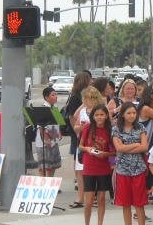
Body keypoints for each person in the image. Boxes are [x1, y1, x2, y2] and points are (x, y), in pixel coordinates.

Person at [112, 102, 149, 225]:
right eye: (129, 113)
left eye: (134, 113)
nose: (132, 115)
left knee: (139, 204)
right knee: (125, 204)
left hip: (138, 169)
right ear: (123, 115)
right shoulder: (116, 129)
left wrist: (127, 147)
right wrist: (135, 145)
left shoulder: (141, 127)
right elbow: (118, 148)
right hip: (122, 170)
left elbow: (145, 147)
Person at [78, 104, 115, 225]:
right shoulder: (88, 127)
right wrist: (88, 149)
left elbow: (115, 151)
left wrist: (106, 154)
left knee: (101, 199)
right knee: (88, 201)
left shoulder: (110, 130)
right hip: (89, 167)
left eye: (102, 114)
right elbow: (80, 145)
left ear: (106, 116)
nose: (99, 117)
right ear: (93, 116)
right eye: (97, 115)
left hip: (103, 167)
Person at [70, 85, 104, 208]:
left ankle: (93, 196)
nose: (87, 101)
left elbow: (105, 125)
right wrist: (81, 127)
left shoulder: (100, 110)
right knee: (79, 170)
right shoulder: (83, 111)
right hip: (83, 143)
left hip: (96, 143)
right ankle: (81, 197)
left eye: (90, 98)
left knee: (93, 170)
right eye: (85, 98)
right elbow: (76, 126)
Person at [66, 71, 92, 208]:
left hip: (84, 136)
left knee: (82, 166)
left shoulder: (80, 97)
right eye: (89, 79)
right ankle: (82, 196)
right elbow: (72, 116)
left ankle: (86, 196)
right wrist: (77, 131)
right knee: (79, 165)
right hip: (79, 135)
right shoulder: (77, 97)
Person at [35, 87, 62, 177]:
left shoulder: (55, 108)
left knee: (53, 165)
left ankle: (51, 183)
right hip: (44, 141)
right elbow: (40, 127)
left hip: (54, 139)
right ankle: (44, 184)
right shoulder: (44, 108)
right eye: (53, 95)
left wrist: (59, 134)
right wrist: (46, 139)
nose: (56, 97)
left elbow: (59, 123)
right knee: (45, 166)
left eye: (56, 94)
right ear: (46, 97)